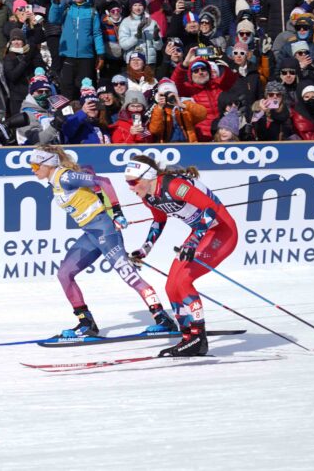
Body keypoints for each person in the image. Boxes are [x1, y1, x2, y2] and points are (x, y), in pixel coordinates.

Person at [28, 145, 177, 339]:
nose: (33, 169)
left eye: (35, 165)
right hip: (90, 233)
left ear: (48, 164)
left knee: (129, 276)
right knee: (64, 273)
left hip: (105, 231)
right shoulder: (55, 180)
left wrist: (116, 212)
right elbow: (92, 178)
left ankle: (162, 318)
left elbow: (103, 181)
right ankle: (86, 322)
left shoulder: (65, 177)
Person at [124, 156, 238, 357]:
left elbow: (210, 209)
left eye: (133, 182)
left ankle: (198, 338)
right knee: (171, 286)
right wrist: (145, 249)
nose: (131, 187)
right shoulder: (148, 197)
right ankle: (187, 336)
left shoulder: (175, 186)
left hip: (222, 232)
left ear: (148, 176)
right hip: (201, 234)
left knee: (184, 281)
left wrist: (194, 242)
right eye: (128, 182)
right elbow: (159, 221)